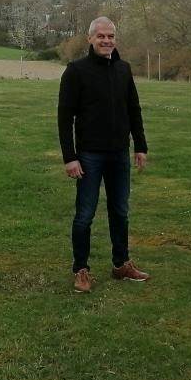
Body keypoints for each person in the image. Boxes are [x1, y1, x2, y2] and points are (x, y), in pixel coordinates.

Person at [58, 16, 150, 293]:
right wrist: (70, 157)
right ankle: (81, 270)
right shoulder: (76, 71)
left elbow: (133, 110)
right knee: (85, 215)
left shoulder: (123, 69)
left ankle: (121, 264)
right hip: (89, 156)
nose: (106, 41)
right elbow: (65, 118)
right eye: (101, 36)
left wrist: (141, 146)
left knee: (120, 211)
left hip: (119, 154)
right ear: (90, 39)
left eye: (110, 36)